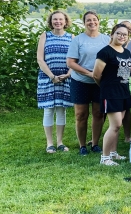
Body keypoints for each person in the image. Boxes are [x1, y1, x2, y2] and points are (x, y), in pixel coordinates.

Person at [66, 11, 110, 155]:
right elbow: (71, 62)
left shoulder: (106, 40)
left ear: (99, 21)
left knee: (98, 114)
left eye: (94, 20)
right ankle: (82, 146)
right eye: (88, 20)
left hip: (100, 82)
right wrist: (90, 73)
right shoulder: (78, 40)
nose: (92, 22)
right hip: (80, 81)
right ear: (84, 23)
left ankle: (95, 144)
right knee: (80, 114)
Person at [93, 24, 131, 166]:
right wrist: (106, 89)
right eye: (119, 33)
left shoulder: (126, 52)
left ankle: (113, 152)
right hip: (111, 93)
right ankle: (105, 158)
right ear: (112, 34)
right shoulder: (105, 52)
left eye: (125, 34)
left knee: (119, 124)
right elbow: (96, 75)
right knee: (114, 125)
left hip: (123, 91)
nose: (122, 36)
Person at [37, 10, 73, 153]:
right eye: (55, 19)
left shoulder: (72, 37)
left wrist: (69, 74)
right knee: (48, 110)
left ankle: (60, 142)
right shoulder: (45, 36)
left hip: (65, 78)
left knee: (61, 110)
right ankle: (49, 143)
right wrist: (52, 76)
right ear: (51, 21)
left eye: (60, 19)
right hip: (48, 78)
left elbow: (75, 59)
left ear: (65, 21)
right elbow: (40, 59)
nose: (58, 22)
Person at [120, 20, 131, 143]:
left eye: (129, 29)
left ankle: (127, 136)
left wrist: (122, 67)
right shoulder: (109, 43)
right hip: (111, 80)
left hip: (126, 79)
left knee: (126, 108)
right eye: (124, 27)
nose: (126, 30)